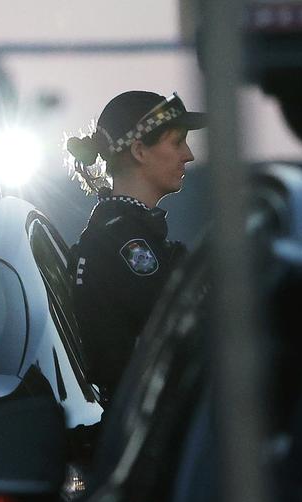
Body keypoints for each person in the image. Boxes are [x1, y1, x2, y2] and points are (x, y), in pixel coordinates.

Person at [64, 90, 206, 403]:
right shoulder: (124, 243)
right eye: (177, 141)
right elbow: (182, 331)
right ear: (140, 151)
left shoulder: (121, 232)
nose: (189, 155)